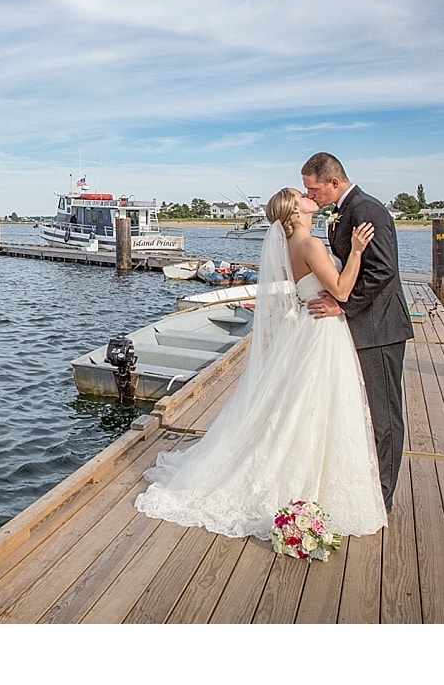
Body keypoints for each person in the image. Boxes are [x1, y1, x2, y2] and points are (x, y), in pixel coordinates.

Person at [134, 188, 387, 540]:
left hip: (307, 327)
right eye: (302, 195)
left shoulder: (291, 244)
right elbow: (343, 292)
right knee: (318, 403)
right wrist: (357, 251)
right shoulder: (310, 245)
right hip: (322, 330)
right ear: (296, 211)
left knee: (303, 403)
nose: (307, 195)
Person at [301, 152, 413, 513]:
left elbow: (383, 271)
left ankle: (383, 496)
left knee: (384, 415)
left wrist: (342, 306)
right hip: (359, 328)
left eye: (314, 189)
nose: (311, 195)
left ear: (334, 182)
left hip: (380, 329)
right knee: (363, 411)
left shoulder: (368, 211)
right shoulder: (341, 213)